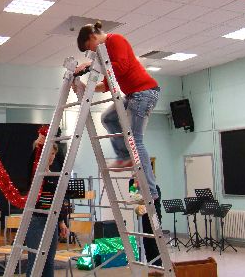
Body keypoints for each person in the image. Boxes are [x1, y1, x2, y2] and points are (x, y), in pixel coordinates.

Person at [74, 21, 160, 200]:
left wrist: (91, 66)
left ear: (92, 37)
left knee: (135, 140)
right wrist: (84, 86)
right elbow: (107, 84)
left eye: (90, 47)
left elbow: (122, 67)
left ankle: (151, 190)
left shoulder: (115, 40)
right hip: (132, 95)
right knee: (107, 118)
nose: (93, 51)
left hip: (144, 93)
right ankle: (124, 156)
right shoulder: (106, 51)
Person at [25, 132, 69, 277]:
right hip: (37, 220)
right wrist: (38, 146)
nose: (52, 157)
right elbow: (32, 162)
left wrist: (62, 221)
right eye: (49, 153)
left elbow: (57, 201)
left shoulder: (53, 175)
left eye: (53, 154)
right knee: (36, 261)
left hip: (52, 221)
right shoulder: (35, 173)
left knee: (49, 262)